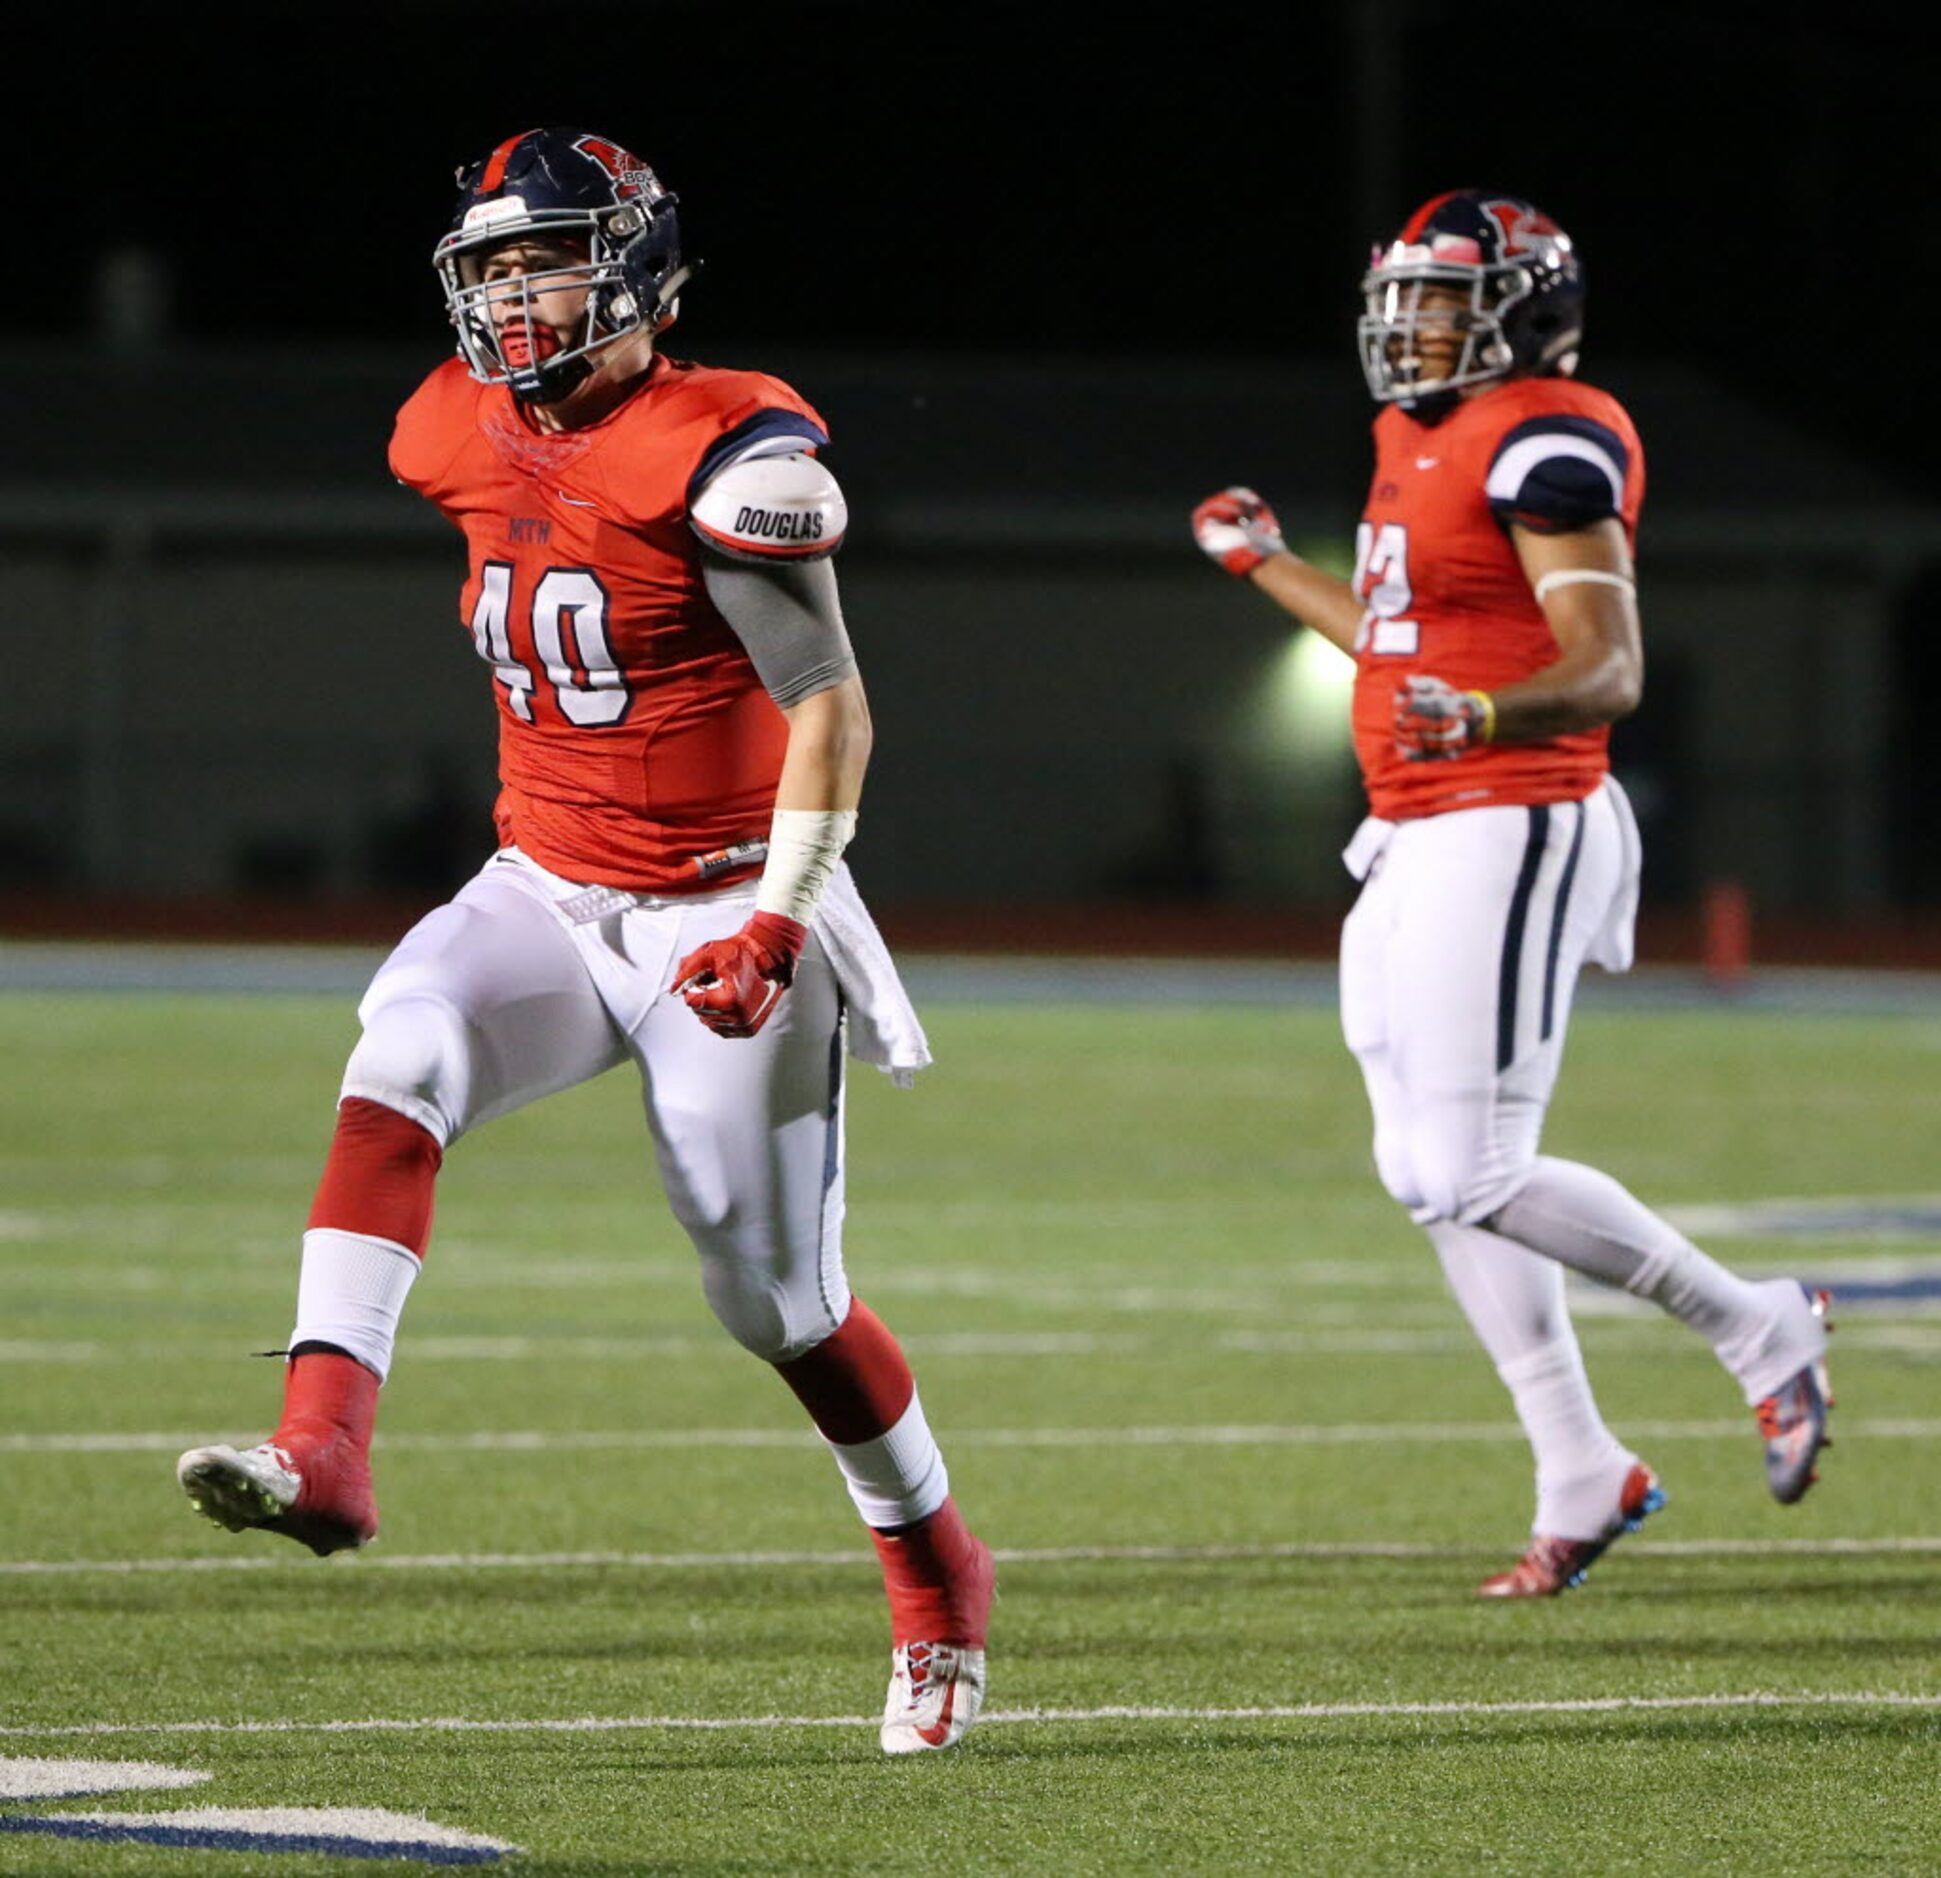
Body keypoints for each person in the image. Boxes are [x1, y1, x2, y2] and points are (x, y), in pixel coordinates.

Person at [177, 128, 993, 1749]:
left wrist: (778, 914)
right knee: (399, 1045)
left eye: (538, 256)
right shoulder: (447, 425)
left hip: (724, 902)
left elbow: (828, 702)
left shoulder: (727, 447)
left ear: (633, 266)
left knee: (774, 1298)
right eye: (484, 265)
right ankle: (324, 1450)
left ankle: (937, 1573)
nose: (507, 291)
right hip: (545, 882)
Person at [1191, 190, 1833, 1596]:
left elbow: (1607, 668)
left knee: (1469, 1163)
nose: (1409, 327)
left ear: (1521, 313)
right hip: (1419, 825)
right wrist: (1267, 566)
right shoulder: (1409, 435)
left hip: (1516, 809)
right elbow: (1397, 638)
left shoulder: (1551, 436)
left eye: (1437, 301)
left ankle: (1759, 1326)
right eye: (1402, 299)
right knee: (1424, 1175)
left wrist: (1483, 720)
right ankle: (1579, 1464)